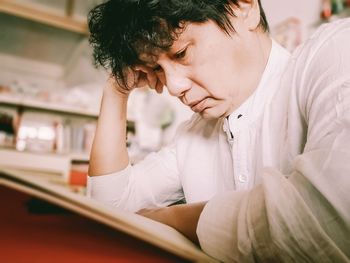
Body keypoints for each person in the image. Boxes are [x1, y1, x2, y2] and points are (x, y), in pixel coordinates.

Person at [87, 0, 350, 261]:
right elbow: (112, 208)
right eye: (157, 69)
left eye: (181, 53)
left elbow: (324, 222)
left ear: (242, 7)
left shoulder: (333, 54)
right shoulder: (193, 135)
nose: (173, 86)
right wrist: (117, 90)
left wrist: (168, 217)